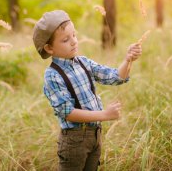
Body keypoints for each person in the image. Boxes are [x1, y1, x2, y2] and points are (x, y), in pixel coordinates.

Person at [32, 10, 141, 170]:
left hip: (95, 134)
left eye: (74, 35)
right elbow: (67, 112)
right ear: (49, 48)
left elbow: (115, 76)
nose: (74, 42)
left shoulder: (83, 62)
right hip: (74, 142)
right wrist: (104, 114)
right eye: (65, 40)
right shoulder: (53, 75)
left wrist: (128, 60)